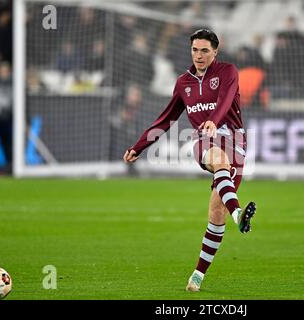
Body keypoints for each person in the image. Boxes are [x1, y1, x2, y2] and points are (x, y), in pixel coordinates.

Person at [123, 29, 257, 292]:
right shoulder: (183, 82)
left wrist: (214, 120)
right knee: (218, 159)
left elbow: (226, 99)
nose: (199, 55)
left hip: (234, 141)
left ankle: (197, 275)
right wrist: (139, 146)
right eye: (195, 50)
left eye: (205, 50)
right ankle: (239, 213)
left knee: (216, 213)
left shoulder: (228, 71)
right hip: (204, 142)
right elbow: (166, 119)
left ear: (215, 52)